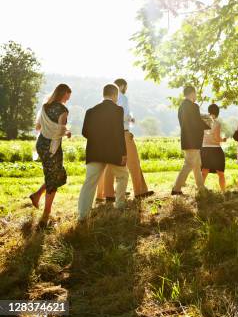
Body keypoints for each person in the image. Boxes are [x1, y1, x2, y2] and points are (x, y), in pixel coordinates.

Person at [96, 78, 153, 202]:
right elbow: (121, 114)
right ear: (122, 86)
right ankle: (140, 191)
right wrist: (130, 119)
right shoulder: (122, 97)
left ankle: (105, 194)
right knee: (134, 162)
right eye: (125, 87)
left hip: (108, 135)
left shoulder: (103, 101)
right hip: (123, 132)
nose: (126, 89)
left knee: (108, 164)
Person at [77, 84, 129, 221]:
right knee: (123, 176)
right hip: (113, 152)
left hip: (94, 151)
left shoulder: (90, 111)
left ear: (103, 93)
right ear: (114, 95)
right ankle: (120, 204)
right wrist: (123, 153)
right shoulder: (118, 110)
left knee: (89, 183)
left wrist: (97, 139)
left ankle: (82, 216)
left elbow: (84, 132)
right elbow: (119, 133)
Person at [29, 84, 72, 227]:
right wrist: (67, 132)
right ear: (64, 93)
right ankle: (45, 216)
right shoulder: (63, 110)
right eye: (68, 94)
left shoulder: (45, 106)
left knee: (55, 174)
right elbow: (59, 131)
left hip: (41, 144)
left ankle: (36, 196)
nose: (69, 97)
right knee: (53, 177)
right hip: (52, 147)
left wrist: (56, 129)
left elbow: (38, 127)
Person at [173, 86, 208, 195]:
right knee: (188, 164)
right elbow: (197, 122)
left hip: (186, 139)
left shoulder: (181, 107)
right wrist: (208, 124)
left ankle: (201, 187)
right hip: (193, 140)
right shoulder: (194, 106)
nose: (196, 95)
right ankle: (176, 189)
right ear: (192, 93)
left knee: (197, 164)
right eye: (196, 93)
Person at [201, 104, 227, 192]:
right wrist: (223, 140)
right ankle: (223, 192)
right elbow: (216, 138)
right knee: (220, 173)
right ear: (217, 112)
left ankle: (200, 190)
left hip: (204, 148)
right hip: (215, 149)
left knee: (204, 172)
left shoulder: (203, 121)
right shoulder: (216, 123)